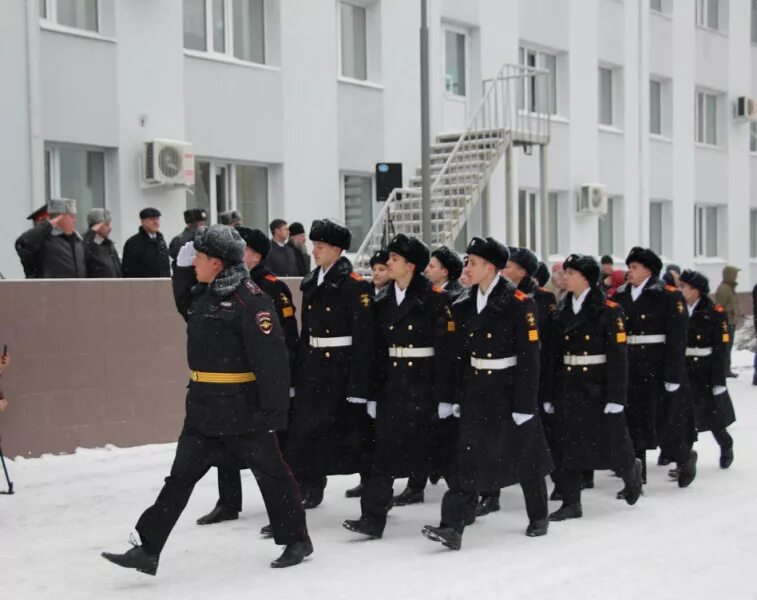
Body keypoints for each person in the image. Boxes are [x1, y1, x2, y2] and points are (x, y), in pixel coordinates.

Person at [101, 225, 312, 574]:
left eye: (198, 257)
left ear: (216, 262)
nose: (194, 262)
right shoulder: (206, 294)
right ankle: (149, 549)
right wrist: (180, 268)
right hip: (202, 409)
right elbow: (185, 302)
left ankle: (297, 539)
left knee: (272, 475)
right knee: (179, 479)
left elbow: (273, 360)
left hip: (242, 410)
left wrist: (275, 412)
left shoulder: (251, 300)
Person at [422, 237, 553, 551]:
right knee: (466, 459)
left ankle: (538, 515)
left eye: (474, 262)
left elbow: (530, 358)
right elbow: (457, 357)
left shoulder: (519, 303)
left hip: (508, 390)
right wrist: (452, 397)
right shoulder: (463, 304)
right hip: (475, 390)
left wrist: (524, 403)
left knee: (526, 457)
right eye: (467, 261)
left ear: (491, 268)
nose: (467, 267)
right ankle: (452, 527)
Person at [343, 234, 455, 539]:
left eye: (394, 259)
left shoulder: (435, 299)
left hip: (425, 386)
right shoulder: (382, 301)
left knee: (443, 456)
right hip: (393, 387)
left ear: (410, 265)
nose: (387, 263)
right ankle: (372, 519)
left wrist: (447, 397)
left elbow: (446, 352)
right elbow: (376, 352)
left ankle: (456, 519)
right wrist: (372, 393)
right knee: (382, 457)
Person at [194, 226, 301, 526]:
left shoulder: (269, 287)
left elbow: (284, 341)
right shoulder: (220, 286)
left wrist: (284, 385)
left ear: (255, 255)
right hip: (230, 384)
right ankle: (228, 501)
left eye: (243, 250)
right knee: (224, 449)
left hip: (255, 384)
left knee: (265, 456)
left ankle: (288, 522)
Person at [282, 219, 374, 511]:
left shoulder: (355, 286)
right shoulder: (312, 282)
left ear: (337, 249)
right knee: (305, 431)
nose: (314, 251)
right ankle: (310, 485)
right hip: (313, 367)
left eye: (320, 247)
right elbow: (306, 330)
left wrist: (359, 384)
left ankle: (372, 485)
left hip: (341, 368)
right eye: (313, 246)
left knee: (352, 432)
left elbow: (364, 339)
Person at [547, 254, 642, 523]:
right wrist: (549, 394)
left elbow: (618, 356)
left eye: (571, 273)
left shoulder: (608, 310)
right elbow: (554, 355)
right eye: (564, 272)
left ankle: (629, 469)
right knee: (567, 443)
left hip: (597, 384)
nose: (564, 277)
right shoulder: (562, 310)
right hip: (568, 383)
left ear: (585, 278)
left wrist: (616, 396)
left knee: (611, 438)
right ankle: (571, 501)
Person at [613, 247, 696, 497]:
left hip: (657, 365)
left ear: (648, 270)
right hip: (630, 365)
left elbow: (678, 338)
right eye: (629, 267)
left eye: (635, 267)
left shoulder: (668, 296)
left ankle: (683, 455)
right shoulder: (620, 296)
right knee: (632, 421)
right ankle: (637, 478)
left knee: (663, 420)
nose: (630, 272)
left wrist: (673, 374)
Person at [679, 270, 735, 469]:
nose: (680, 290)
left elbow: (721, 350)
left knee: (712, 415)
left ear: (695, 291)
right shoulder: (679, 309)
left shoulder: (715, 313)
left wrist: (719, 380)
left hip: (706, 370)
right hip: (686, 369)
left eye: (684, 287)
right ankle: (684, 458)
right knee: (684, 415)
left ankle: (725, 443)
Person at [345, 248, 389, 500]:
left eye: (382, 269)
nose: (377, 274)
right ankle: (366, 478)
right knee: (364, 432)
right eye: (374, 270)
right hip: (366, 366)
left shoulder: (389, 298)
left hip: (383, 369)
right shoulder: (366, 293)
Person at [15, 198, 87, 279]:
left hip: (76, 290)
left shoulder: (77, 240)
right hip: (46, 290)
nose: (74, 220)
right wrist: (49, 224)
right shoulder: (43, 242)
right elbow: (22, 244)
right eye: (71, 216)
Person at [122, 208, 171, 278]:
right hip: (143, 285)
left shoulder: (160, 240)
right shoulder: (133, 243)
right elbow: (129, 269)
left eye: (157, 219)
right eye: (151, 219)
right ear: (142, 221)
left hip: (161, 284)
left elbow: (165, 266)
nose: (156, 222)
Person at [714, 266, 742, 378]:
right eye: (735, 274)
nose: (737, 277)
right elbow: (719, 307)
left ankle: (727, 369)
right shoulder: (724, 289)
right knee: (725, 347)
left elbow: (733, 303)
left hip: (731, 323)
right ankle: (723, 370)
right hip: (726, 325)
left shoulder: (730, 288)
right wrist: (727, 313)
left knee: (728, 347)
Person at [83, 208, 122, 278]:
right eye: (106, 225)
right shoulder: (86, 244)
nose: (110, 228)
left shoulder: (109, 244)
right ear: (96, 226)